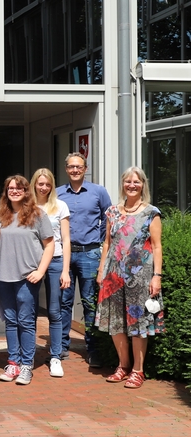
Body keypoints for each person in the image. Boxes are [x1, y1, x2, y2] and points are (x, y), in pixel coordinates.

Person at [95, 167, 164, 389]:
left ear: (143, 184)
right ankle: (122, 366)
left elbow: (156, 246)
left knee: (138, 323)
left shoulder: (151, 212)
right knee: (116, 323)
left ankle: (138, 371)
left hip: (140, 277)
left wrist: (157, 276)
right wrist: (101, 271)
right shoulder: (112, 212)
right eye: (128, 181)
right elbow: (107, 243)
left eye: (136, 181)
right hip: (113, 276)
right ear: (123, 184)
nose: (131, 185)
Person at [0, 175, 54, 386]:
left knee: (26, 321)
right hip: (2, 277)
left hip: (27, 277)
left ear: (26, 191)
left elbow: (49, 245)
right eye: (10, 188)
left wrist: (40, 271)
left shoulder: (37, 215)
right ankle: (14, 362)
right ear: (6, 191)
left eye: (19, 188)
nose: (14, 191)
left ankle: (27, 365)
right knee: (10, 321)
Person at [57, 152, 112, 367]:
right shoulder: (59, 193)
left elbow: (109, 219)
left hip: (90, 253)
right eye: (71, 167)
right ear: (66, 169)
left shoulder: (98, 192)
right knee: (64, 302)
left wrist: (98, 243)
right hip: (65, 255)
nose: (75, 170)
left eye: (79, 166)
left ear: (85, 168)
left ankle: (93, 350)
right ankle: (61, 347)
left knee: (90, 303)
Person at [31, 169, 71, 378]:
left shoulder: (60, 206)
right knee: (29, 312)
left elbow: (65, 239)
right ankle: (28, 357)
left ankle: (55, 356)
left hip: (55, 261)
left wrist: (65, 270)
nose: (44, 187)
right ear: (34, 184)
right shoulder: (28, 205)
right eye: (40, 184)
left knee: (55, 311)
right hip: (31, 263)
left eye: (47, 184)